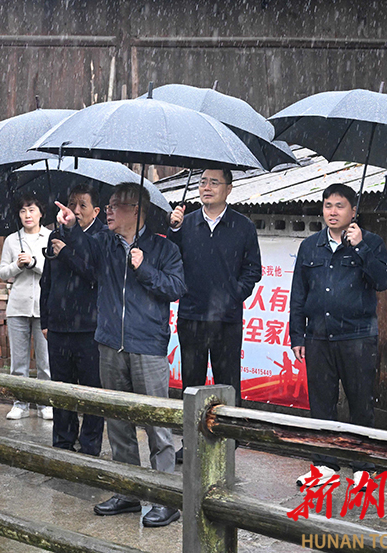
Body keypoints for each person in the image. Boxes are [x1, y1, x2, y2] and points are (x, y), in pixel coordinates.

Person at [56, 182, 186, 528]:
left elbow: (176, 288)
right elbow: (82, 253)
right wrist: (71, 227)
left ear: (136, 210)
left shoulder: (163, 248)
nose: (109, 211)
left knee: (157, 425)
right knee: (118, 423)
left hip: (148, 347)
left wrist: (144, 269)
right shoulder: (104, 243)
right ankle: (128, 491)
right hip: (110, 344)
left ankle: (165, 499)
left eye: (116, 206)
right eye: (109, 205)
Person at [289, 183, 387, 487]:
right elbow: (298, 293)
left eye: (340, 206)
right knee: (321, 404)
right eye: (328, 205)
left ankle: (363, 466)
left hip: (357, 338)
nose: (332, 212)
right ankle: (325, 465)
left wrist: (359, 247)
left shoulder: (371, 242)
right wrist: (297, 335)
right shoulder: (311, 246)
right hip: (318, 337)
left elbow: (383, 281)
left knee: (361, 403)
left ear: (354, 211)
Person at [168, 168, 262, 463]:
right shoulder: (186, 223)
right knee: (192, 384)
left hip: (226, 319)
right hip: (192, 316)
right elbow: (170, 260)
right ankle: (191, 442)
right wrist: (173, 230)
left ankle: (228, 444)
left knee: (227, 383)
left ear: (228, 188)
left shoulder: (243, 226)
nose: (206, 187)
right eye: (202, 182)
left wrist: (233, 295)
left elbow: (253, 270)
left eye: (214, 182)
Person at [40, 183, 105, 455]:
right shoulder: (56, 234)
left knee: (91, 392)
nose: (75, 211)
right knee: (61, 390)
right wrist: (45, 320)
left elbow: (94, 274)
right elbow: (47, 281)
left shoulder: (102, 236)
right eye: (72, 204)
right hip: (58, 327)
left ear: (96, 211)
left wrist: (67, 250)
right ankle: (63, 442)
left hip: (90, 328)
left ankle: (90, 446)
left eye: (82, 206)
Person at [0, 191, 52, 420]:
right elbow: (2, 272)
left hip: (44, 307)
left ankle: (45, 403)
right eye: (23, 211)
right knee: (18, 361)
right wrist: (17, 266)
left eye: (32, 210)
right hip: (18, 307)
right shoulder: (12, 240)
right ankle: (19, 403)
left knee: (45, 361)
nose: (27, 215)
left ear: (41, 213)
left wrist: (33, 262)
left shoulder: (50, 237)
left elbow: (54, 269)